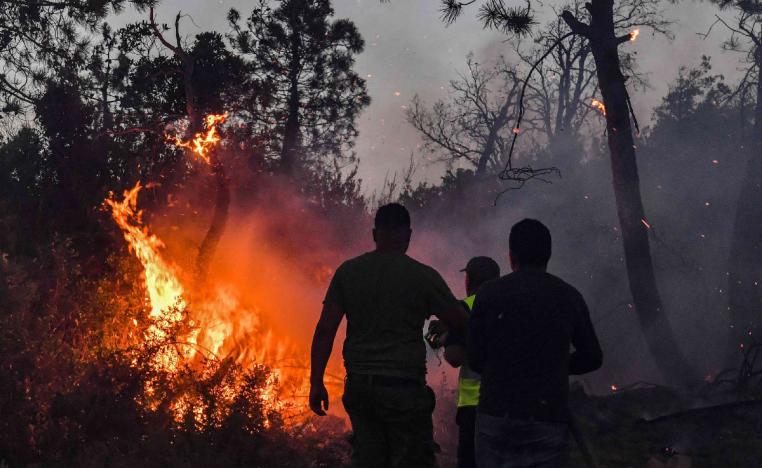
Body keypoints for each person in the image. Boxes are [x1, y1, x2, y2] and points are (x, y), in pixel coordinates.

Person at [309, 203, 468, 468]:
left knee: (369, 459)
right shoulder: (423, 276)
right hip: (403, 390)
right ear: (408, 235)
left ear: (374, 234)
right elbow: (462, 322)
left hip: (360, 390)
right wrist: (445, 327)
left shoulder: (348, 272)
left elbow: (325, 329)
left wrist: (316, 382)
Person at [468, 219, 602, 468]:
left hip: (497, 413)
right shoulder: (568, 296)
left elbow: (474, 357)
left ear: (511, 256)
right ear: (548, 254)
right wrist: (555, 363)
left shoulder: (489, 293)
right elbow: (593, 356)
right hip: (547, 415)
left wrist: (504, 364)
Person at [443, 257, 501, 468]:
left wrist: (447, 338)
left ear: (469, 281)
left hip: (474, 407)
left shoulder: (465, 308)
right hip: (509, 403)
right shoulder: (511, 305)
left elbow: (454, 356)